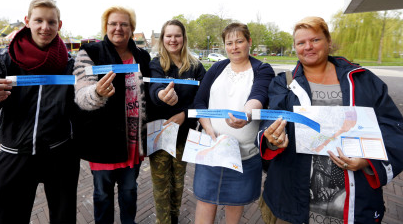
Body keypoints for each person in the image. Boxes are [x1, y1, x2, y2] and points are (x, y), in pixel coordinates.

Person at [257, 16, 403, 224]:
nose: (308, 47)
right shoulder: (283, 83)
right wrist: (272, 138)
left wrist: (367, 161)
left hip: (352, 200)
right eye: (301, 42)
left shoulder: (362, 80)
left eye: (315, 40)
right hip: (293, 198)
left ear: (328, 42)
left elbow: (393, 128)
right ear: (295, 47)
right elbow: (271, 122)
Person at [0, 0, 80, 224]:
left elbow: (82, 107)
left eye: (51, 22)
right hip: (15, 153)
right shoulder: (2, 60)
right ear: (27, 21)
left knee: (64, 218)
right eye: (38, 20)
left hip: (60, 153)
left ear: (59, 25)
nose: (45, 27)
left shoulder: (71, 64)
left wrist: (96, 97)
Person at [72, 6, 152, 224]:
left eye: (124, 24)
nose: (118, 28)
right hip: (102, 140)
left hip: (133, 139)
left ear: (132, 28)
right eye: (113, 24)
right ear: (105, 27)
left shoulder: (142, 56)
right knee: (103, 193)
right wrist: (96, 93)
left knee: (129, 191)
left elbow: (151, 91)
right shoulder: (90, 52)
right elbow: (80, 93)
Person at [192, 22, 275, 224]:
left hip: (243, 155)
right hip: (211, 149)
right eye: (229, 43)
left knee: (235, 204)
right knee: (205, 200)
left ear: (249, 42)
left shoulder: (262, 69)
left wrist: (246, 115)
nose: (234, 47)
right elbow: (199, 101)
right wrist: (206, 126)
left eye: (239, 41)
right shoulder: (217, 68)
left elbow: (259, 95)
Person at [148, 19, 206, 223]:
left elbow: (202, 98)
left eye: (177, 35)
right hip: (159, 132)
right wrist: (161, 95)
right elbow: (153, 88)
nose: (173, 40)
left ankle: (174, 218)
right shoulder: (156, 64)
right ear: (162, 39)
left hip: (184, 133)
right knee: (161, 185)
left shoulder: (196, 67)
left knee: (178, 183)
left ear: (184, 38)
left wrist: (184, 114)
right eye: (168, 36)